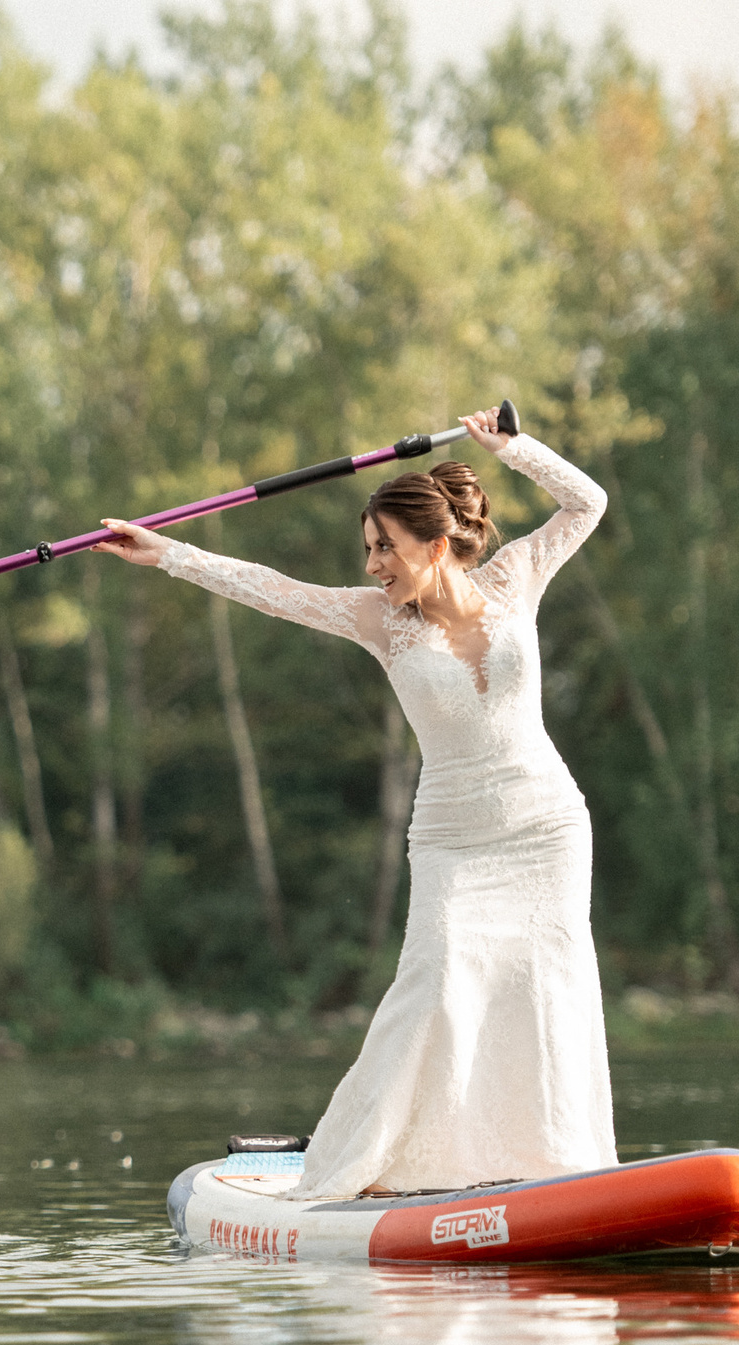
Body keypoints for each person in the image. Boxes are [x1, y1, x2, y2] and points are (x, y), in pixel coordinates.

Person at [93, 411, 611, 1195]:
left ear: (435, 546)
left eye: (385, 548)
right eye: (368, 548)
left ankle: (554, 1168)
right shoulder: (379, 622)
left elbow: (588, 504)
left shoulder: (515, 578)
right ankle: (384, 1165)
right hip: (451, 842)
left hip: (545, 829)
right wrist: (166, 553)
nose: (373, 565)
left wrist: (514, 451)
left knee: (548, 990)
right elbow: (271, 590)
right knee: (438, 983)